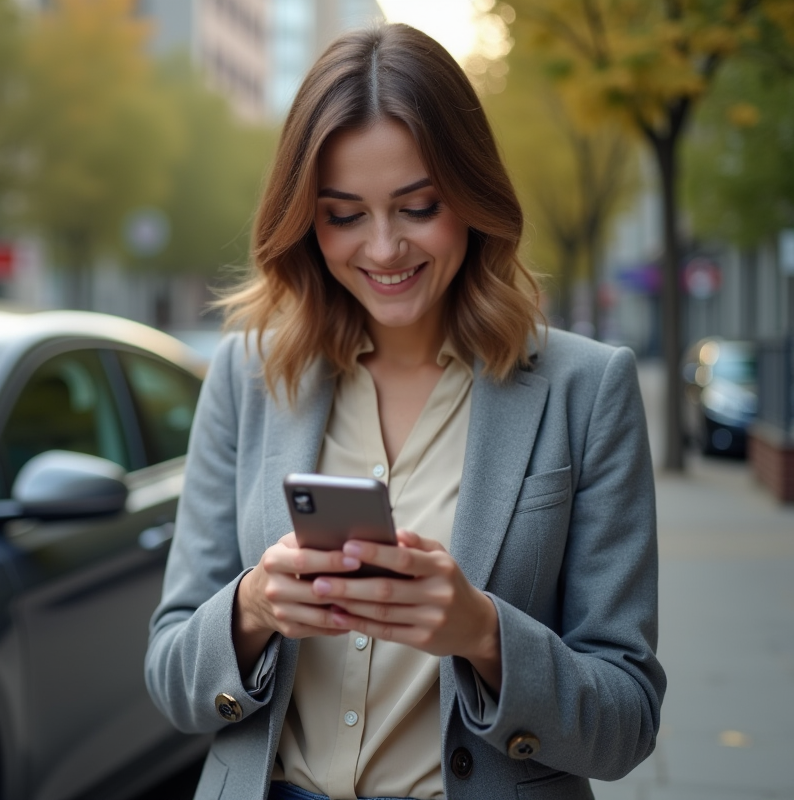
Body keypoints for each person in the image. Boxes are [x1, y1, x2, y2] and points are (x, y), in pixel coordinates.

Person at [144, 22, 665, 800]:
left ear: (473, 195)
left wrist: (483, 634)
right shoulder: (245, 377)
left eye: (418, 206)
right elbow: (171, 677)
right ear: (305, 219)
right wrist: (252, 608)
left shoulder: (586, 390)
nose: (384, 249)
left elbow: (626, 720)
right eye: (344, 215)